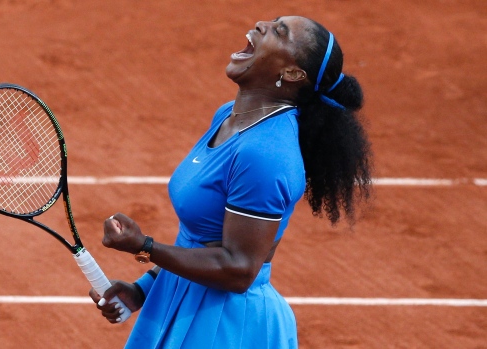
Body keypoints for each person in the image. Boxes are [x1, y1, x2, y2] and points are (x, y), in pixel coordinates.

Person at [89, 15, 372, 349]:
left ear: (293, 74)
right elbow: (202, 240)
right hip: (182, 301)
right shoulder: (228, 116)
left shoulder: (266, 153)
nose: (263, 25)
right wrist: (145, 288)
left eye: (280, 32)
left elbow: (239, 269)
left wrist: (145, 247)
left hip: (226, 326)